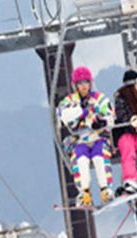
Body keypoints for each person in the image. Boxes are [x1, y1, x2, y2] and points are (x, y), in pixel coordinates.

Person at [57, 66, 114, 206]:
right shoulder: (70, 100)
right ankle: (84, 192)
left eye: (86, 82)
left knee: (99, 157)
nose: (83, 86)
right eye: (80, 83)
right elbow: (62, 114)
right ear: (75, 85)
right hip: (80, 139)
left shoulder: (98, 98)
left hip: (97, 137)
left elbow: (110, 114)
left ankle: (105, 189)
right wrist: (81, 111)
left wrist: (102, 122)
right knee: (80, 160)